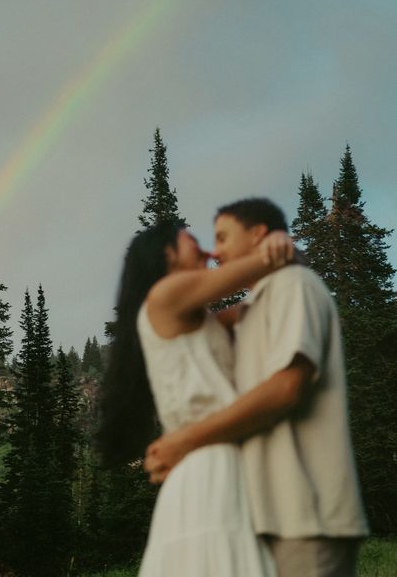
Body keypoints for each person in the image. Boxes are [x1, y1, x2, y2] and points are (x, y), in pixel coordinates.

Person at [144, 198, 369, 577]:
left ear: (259, 235)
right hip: (271, 516)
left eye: (223, 238)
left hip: (308, 515)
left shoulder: (293, 285)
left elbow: (287, 389)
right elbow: (192, 337)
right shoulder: (252, 307)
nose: (215, 253)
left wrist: (184, 441)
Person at [97, 219, 294, 576]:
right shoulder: (164, 295)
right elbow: (264, 265)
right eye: (194, 243)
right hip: (210, 465)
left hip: (210, 460)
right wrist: (275, 241)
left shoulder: (204, 322)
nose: (208, 251)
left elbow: (266, 300)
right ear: (167, 254)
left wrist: (282, 252)